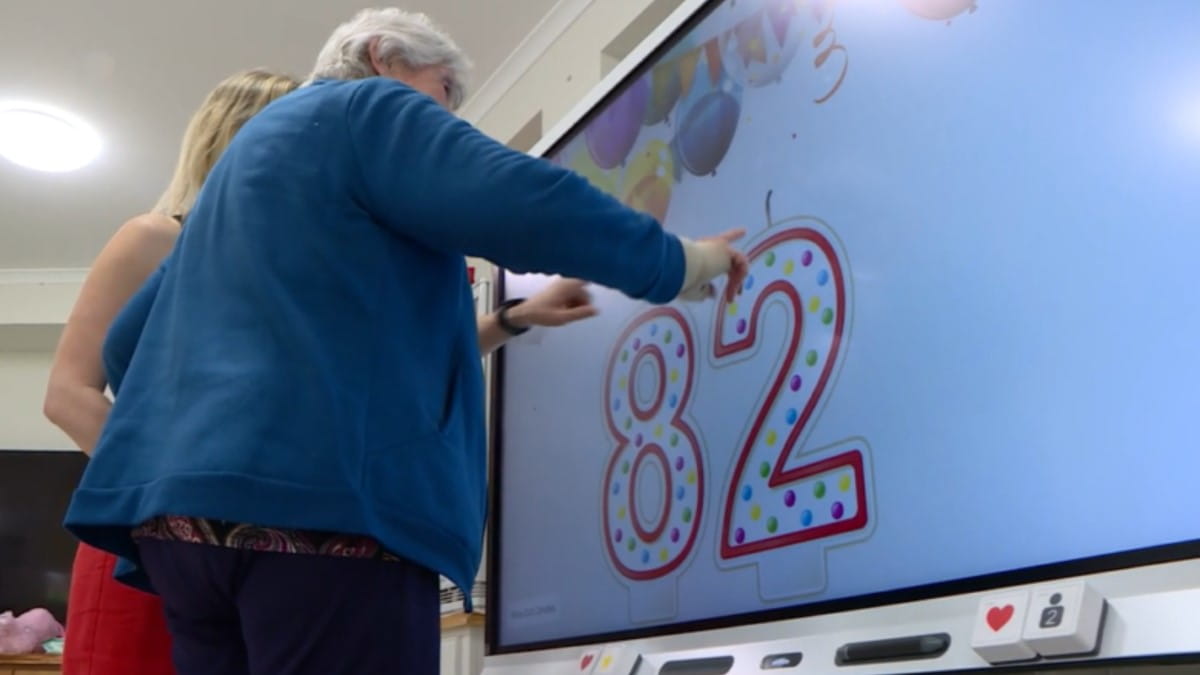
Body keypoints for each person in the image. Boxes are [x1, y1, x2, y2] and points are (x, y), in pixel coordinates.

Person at [63, 7, 749, 675]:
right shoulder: (363, 108)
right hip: (322, 527)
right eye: (443, 96)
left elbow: (130, 343)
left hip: (185, 541)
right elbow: (521, 197)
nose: (446, 121)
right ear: (383, 58)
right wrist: (680, 265)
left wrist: (515, 316)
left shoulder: (234, 182)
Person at [43, 68, 300, 675]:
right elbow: (67, 392)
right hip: (143, 542)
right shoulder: (155, 238)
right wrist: (169, 497)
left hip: (252, 551)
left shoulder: (293, 277)